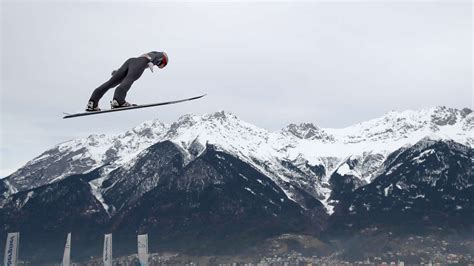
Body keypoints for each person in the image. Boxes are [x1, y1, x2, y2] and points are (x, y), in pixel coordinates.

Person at [86, 51, 168, 111]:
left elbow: (139, 61)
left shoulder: (151, 53)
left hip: (130, 61)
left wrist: (119, 71)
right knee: (130, 79)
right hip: (139, 63)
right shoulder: (159, 55)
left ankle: (92, 103)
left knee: (110, 83)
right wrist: (150, 61)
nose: (159, 66)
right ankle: (118, 101)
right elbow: (152, 57)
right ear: (163, 60)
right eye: (162, 65)